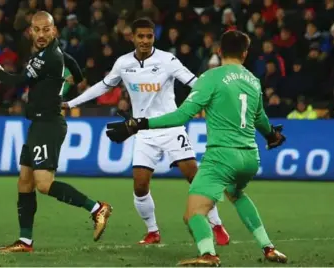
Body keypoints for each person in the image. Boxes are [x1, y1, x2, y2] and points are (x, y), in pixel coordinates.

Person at [106, 30, 288, 266]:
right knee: (236, 194)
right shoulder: (253, 81)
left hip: (221, 158)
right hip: (250, 157)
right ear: (245, 54)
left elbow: (181, 116)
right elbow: (261, 119)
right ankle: (269, 248)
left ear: (219, 51)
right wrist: (272, 135)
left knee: (193, 214)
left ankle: (208, 255)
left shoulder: (210, 78)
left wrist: (139, 123)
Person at [62, 18, 230, 245]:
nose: (144, 41)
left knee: (194, 176)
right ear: (132, 37)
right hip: (143, 130)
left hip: (171, 126)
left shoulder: (167, 60)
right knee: (140, 185)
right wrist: (71, 103)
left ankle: (217, 224)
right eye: (140, 36)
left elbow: (194, 82)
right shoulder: (123, 63)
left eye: (149, 36)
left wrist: (218, 96)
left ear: (153, 37)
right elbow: (103, 85)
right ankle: (153, 231)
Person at [0, 11, 112, 253]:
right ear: (31, 32)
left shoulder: (46, 59)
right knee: (25, 182)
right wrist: (61, 91)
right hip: (39, 124)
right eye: (37, 29)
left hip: (48, 125)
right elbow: (77, 73)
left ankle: (97, 208)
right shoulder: (58, 55)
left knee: (43, 184)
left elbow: (18, 80)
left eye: (46, 29)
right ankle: (25, 241)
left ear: (54, 31)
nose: (42, 34)